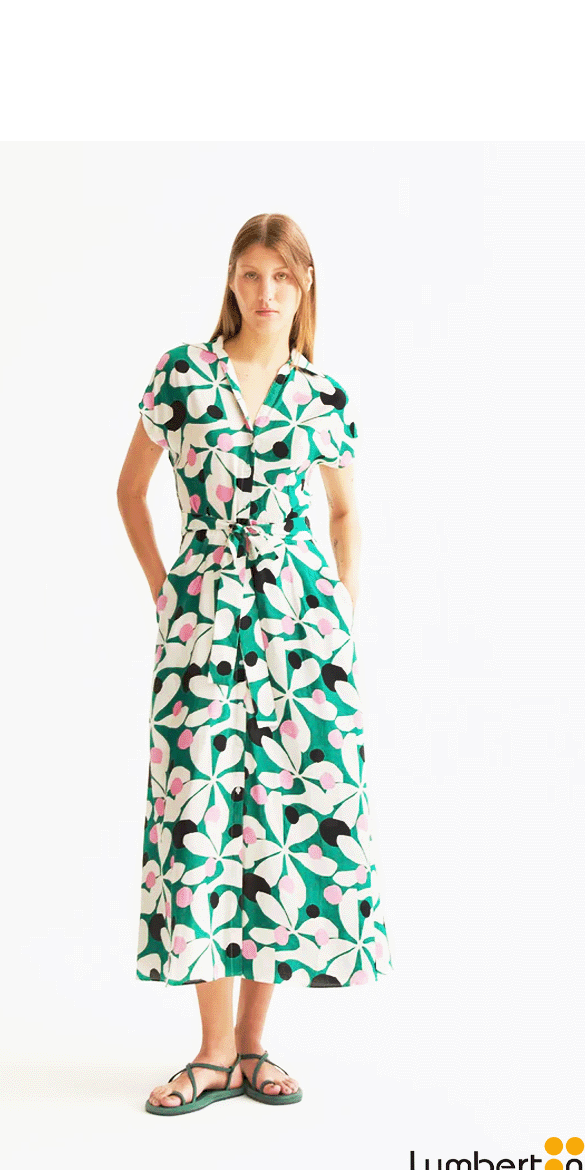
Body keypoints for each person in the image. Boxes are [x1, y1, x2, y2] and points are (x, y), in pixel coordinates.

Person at [116, 213, 391, 1116]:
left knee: (283, 816)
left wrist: (340, 611)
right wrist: (167, 591)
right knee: (199, 812)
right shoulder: (182, 374)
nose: (265, 291)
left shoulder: (323, 395)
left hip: (302, 631)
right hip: (203, 622)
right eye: (249, 273)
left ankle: (253, 1048)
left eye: (281, 275)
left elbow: (344, 515)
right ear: (230, 282)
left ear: (304, 285)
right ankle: (209, 1053)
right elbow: (129, 491)